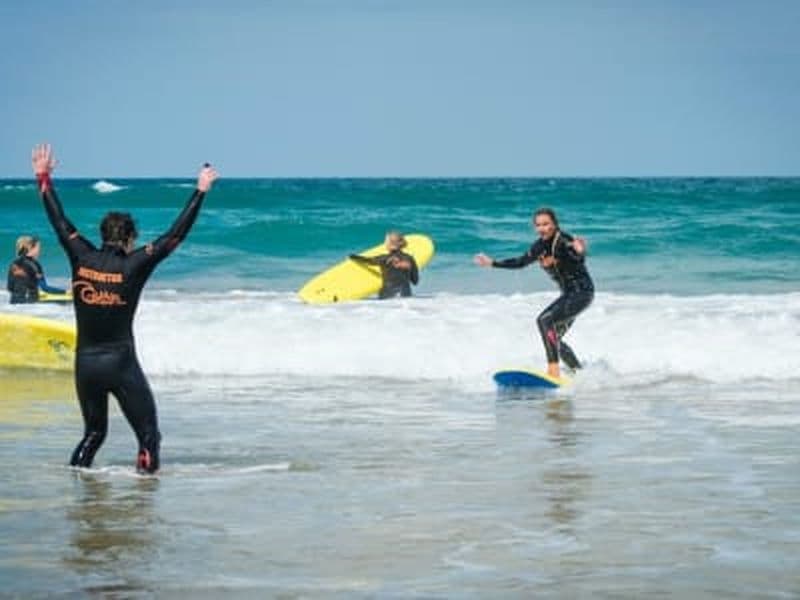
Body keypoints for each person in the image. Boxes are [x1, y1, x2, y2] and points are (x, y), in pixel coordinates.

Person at [32, 143, 218, 474]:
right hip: (120, 364)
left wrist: (43, 177)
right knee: (148, 437)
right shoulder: (135, 264)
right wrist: (200, 191)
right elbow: (175, 235)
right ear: (130, 239)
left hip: (86, 365)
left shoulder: (81, 255)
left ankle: (76, 489)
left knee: (93, 434)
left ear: (102, 235)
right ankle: (144, 496)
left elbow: (58, 220)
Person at [474, 207, 593, 379]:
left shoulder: (563, 240)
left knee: (544, 320)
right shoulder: (539, 246)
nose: (542, 228)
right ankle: (579, 374)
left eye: (546, 224)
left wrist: (580, 252)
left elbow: (576, 257)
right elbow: (521, 262)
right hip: (569, 295)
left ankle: (553, 371)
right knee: (554, 339)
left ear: (555, 224)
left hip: (581, 293)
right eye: (538, 225)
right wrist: (493, 263)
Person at [349, 231, 419, 299]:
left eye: (386, 242)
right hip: (405, 296)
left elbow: (368, 261)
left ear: (389, 244)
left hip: (387, 296)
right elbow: (415, 281)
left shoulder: (383, 259)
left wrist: (352, 256)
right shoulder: (410, 259)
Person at [6, 235, 67, 303]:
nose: (39, 250)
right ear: (29, 248)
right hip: (30, 304)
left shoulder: (14, 264)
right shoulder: (34, 265)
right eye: (38, 248)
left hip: (14, 303)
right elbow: (45, 288)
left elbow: (10, 288)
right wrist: (65, 292)